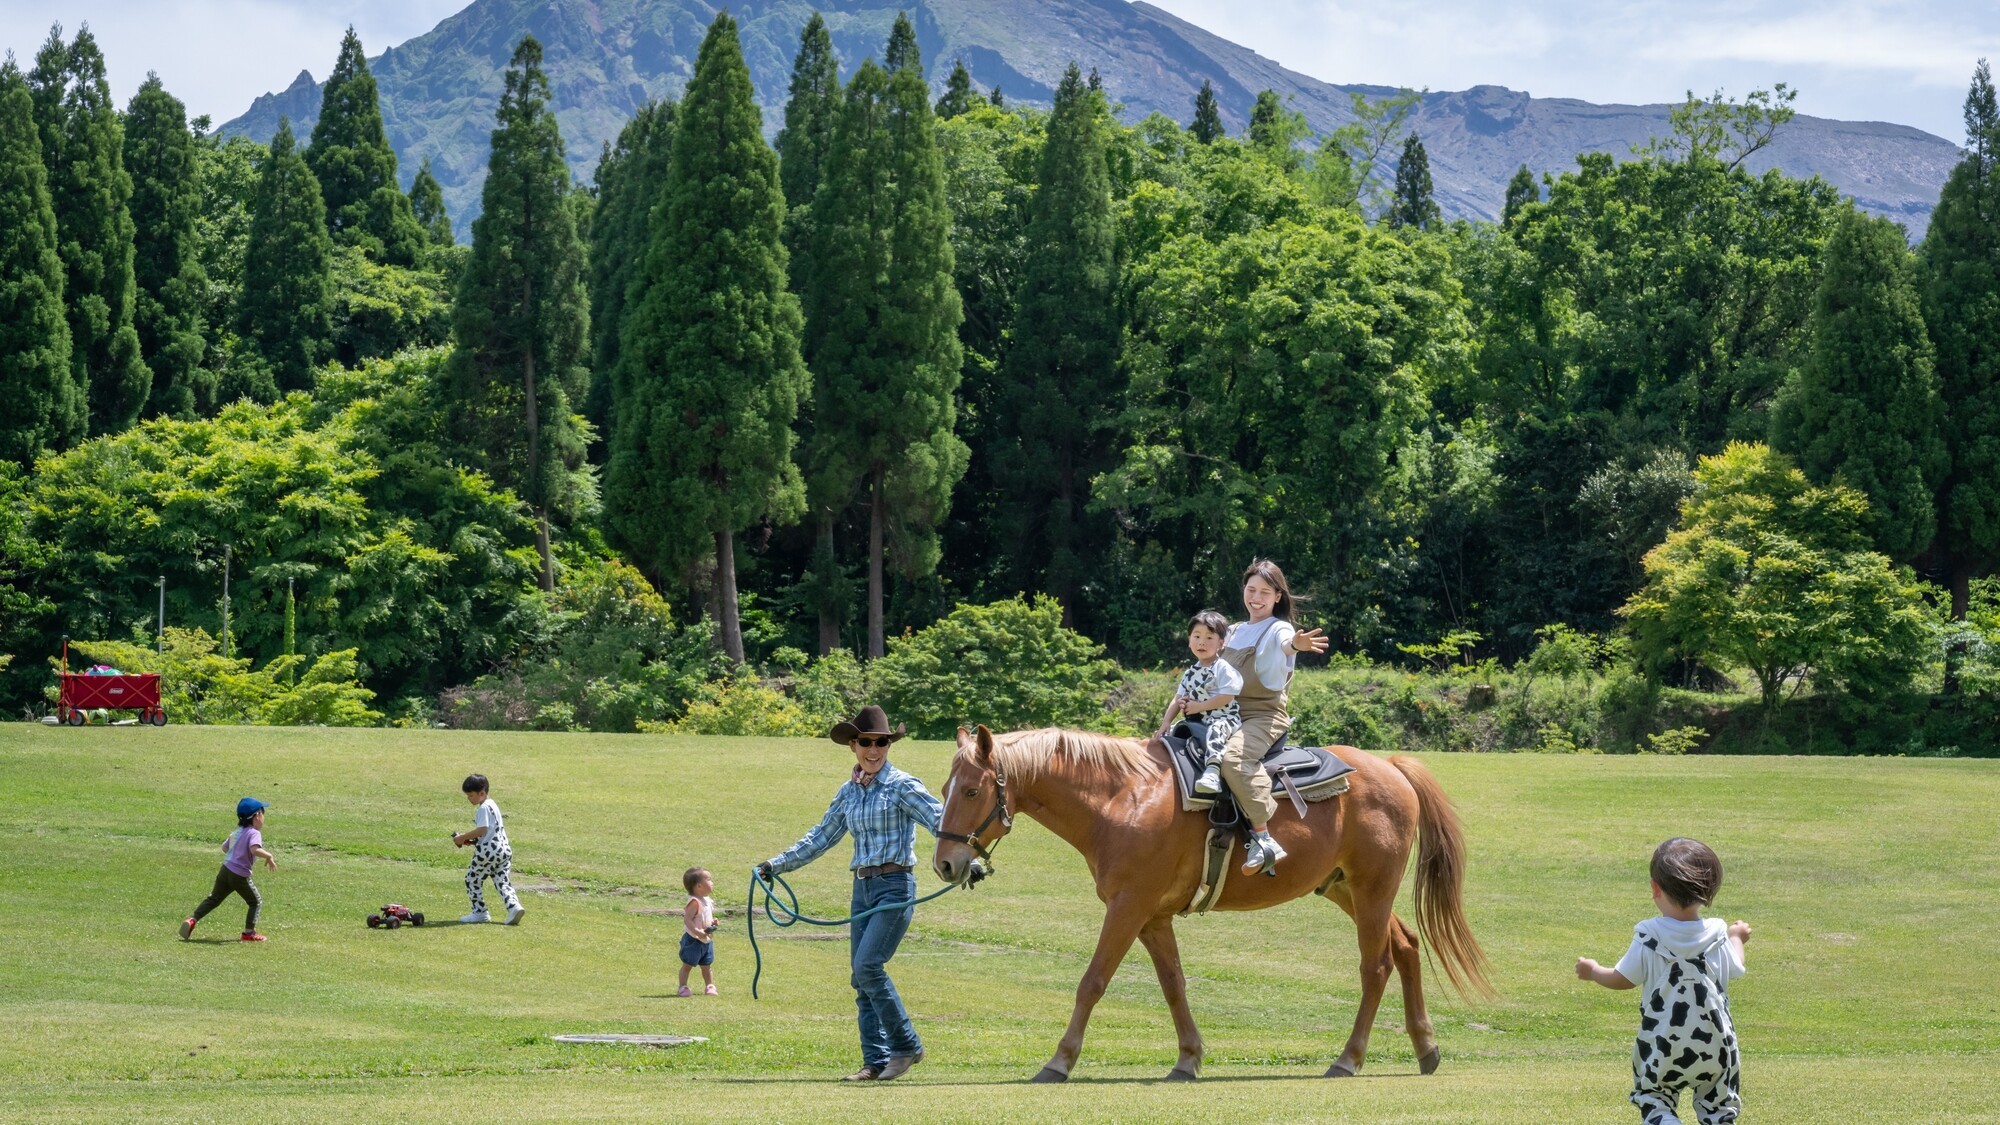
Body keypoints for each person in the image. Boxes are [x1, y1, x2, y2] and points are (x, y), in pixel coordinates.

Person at [757, 705, 942, 1083]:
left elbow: (942, 822)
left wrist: (970, 855)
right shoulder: (848, 793)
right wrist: (775, 865)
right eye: (866, 743)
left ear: (889, 745)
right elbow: (820, 837)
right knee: (861, 979)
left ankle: (906, 1046)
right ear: (853, 745)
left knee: (868, 966)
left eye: (881, 743)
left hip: (895, 886)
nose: (874, 750)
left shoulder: (904, 785)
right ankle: (874, 1062)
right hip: (862, 889)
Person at [1576, 837, 1752, 1125]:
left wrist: (1594, 970)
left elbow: (1623, 979)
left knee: (1654, 1097)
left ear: (1655, 888)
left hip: (1662, 1044)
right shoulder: (1719, 933)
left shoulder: (1649, 935)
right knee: (1719, 1107)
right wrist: (1737, 937)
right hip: (1715, 1046)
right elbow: (1737, 965)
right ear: (1708, 890)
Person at [1215, 559, 1328, 875]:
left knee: (1233, 760)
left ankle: (1264, 840)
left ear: (1278, 596)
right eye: (1251, 589)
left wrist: (1296, 644)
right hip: (1225, 715)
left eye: (1265, 592)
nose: (1256, 597)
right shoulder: (1233, 631)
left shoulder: (1280, 628)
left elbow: (1284, 644)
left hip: (1263, 717)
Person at [1157, 610, 1243, 796]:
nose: (1201, 642)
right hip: (1199, 721)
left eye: (1209, 637)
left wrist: (1199, 706)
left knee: (1215, 731)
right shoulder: (1190, 672)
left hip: (1224, 718)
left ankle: (1212, 771)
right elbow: (1177, 698)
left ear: (1221, 643)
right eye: (1197, 636)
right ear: (1189, 640)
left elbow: (1227, 696)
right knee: (1175, 731)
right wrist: (1165, 723)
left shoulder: (1222, 668)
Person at [180, 797, 276, 942]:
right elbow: (254, 849)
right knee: (255, 902)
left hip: (225, 870)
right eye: (263, 814)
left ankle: (192, 920)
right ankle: (248, 933)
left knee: (214, 899)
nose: (263, 818)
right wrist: (268, 856)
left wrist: (236, 854)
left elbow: (225, 848)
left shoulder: (237, 832)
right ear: (257, 816)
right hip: (239, 875)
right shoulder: (254, 833)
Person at [452, 774, 524, 925]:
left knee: (472, 879)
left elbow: (482, 829)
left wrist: (461, 837)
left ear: (482, 793)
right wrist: (470, 841)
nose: (469, 799)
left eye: (471, 795)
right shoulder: (493, 805)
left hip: (488, 851)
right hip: (503, 849)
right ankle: (514, 907)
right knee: (501, 880)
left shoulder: (483, 808)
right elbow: (489, 831)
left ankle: (479, 912)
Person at [678, 866, 718, 997]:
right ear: (699, 886)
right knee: (687, 965)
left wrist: (712, 923)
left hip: (706, 940)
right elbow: (687, 919)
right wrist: (697, 931)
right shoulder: (695, 902)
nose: (712, 882)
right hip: (693, 940)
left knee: (706, 965)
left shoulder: (706, 901)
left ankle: (710, 986)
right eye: (709, 879)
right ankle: (683, 986)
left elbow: (704, 917)